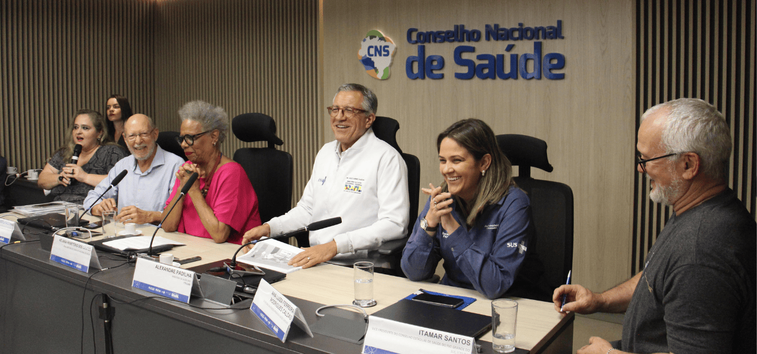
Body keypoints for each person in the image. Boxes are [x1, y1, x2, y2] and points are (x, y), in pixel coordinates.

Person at [553, 98, 755, 354]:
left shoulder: (700, 252)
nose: (640, 168)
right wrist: (599, 300)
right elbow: (657, 278)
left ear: (688, 164)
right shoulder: (703, 210)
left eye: (647, 158)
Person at [242, 83, 409, 268]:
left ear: (369, 119)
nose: (339, 117)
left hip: (359, 266)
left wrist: (336, 246)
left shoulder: (387, 158)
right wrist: (269, 228)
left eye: (349, 110)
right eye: (335, 109)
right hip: (315, 260)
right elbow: (307, 210)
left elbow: (395, 224)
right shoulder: (326, 152)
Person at [400, 119, 539, 299]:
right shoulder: (441, 197)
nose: (447, 169)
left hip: (505, 303)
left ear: (484, 163)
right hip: (455, 298)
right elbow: (413, 271)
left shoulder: (514, 204)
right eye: (442, 160)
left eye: (456, 160)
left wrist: (452, 228)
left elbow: (495, 285)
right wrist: (430, 223)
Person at [161, 100, 260, 244]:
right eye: (182, 138)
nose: (183, 144)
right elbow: (167, 225)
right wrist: (182, 189)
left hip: (226, 258)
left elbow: (219, 235)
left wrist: (194, 190)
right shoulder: (187, 169)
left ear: (214, 137)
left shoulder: (232, 172)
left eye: (190, 138)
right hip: (192, 249)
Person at [83, 114, 185, 224]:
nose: (138, 141)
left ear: (155, 134)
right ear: (125, 139)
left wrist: (150, 216)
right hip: (124, 234)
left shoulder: (175, 165)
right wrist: (98, 207)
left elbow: (179, 213)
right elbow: (92, 197)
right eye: (131, 136)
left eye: (144, 134)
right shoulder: (122, 166)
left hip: (158, 236)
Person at [38, 109, 127, 204]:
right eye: (75, 127)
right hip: (59, 207)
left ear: (99, 132)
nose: (78, 132)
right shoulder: (65, 152)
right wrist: (59, 178)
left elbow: (122, 182)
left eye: (85, 128)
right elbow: (42, 179)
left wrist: (85, 177)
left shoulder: (111, 152)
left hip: (90, 209)